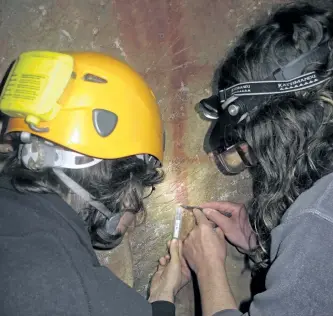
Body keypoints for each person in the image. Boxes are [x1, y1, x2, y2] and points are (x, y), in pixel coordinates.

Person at [0, 50, 190, 315]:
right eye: (140, 188)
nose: (134, 211)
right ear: (123, 182)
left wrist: (161, 295)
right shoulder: (74, 290)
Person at [183, 2, 333, 316]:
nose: (253, 156)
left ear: (280, 127)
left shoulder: (318, 218)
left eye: (252, 139)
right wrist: (264, 244)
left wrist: (209, 270)